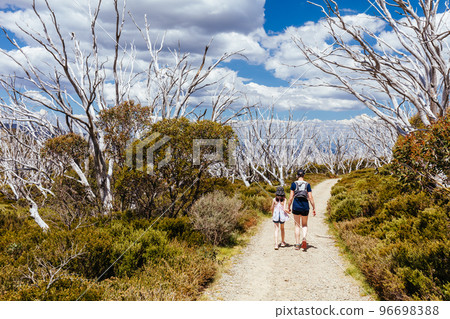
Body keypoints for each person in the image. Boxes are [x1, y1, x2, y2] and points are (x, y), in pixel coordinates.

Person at [288, 169, 316, 250]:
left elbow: (290, 198)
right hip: (305, 206)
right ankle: (304, 238)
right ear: (304, 175)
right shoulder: (307, 184)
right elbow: (310, 197)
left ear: (297, 175)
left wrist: (288, 207)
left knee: (297, 225)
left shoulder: (293, 184)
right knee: (304, 224)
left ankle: (297, 244)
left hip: (296, 205)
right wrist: (314, 207)